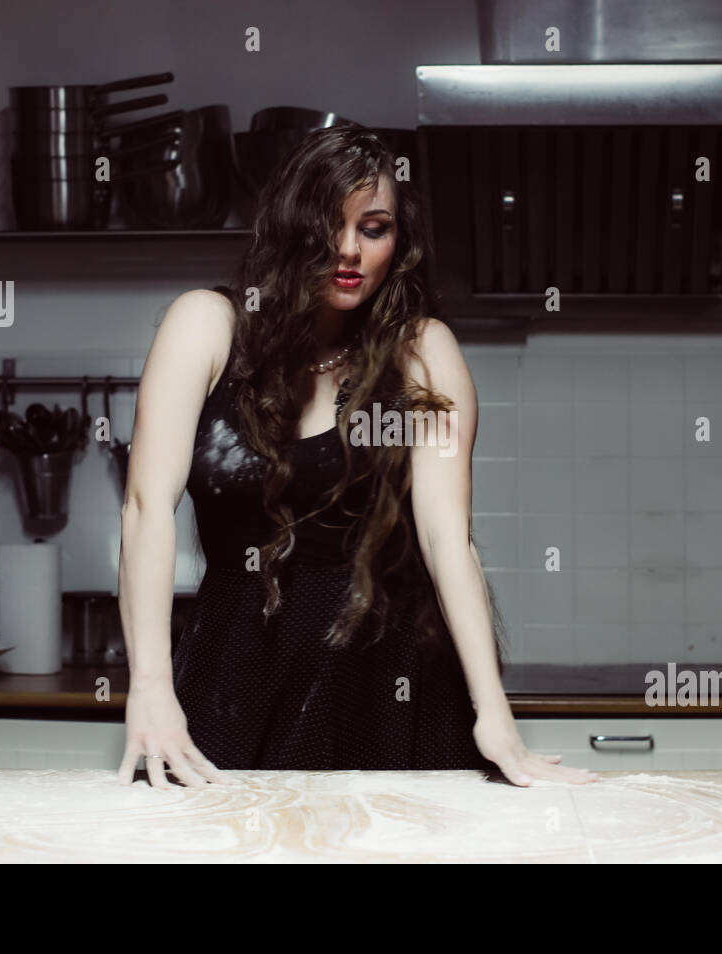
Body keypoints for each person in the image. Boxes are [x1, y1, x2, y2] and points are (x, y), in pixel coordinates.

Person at [116, 121, 597, 789]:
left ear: (398, 241)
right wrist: (148, 685)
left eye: (373, 228)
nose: (348, 250)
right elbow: (146, 509)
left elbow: (444, 537)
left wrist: (493, 713)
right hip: (232, 669)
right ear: (288, 225)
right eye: (325, 224)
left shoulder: (424, 352)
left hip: (390, 678)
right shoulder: (206, 325)